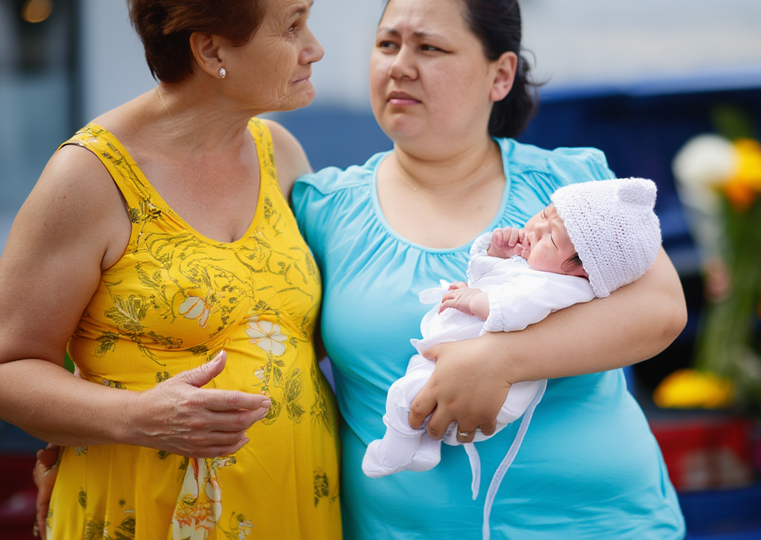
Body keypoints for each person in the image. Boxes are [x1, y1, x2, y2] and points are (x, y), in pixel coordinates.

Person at [291, 0, 688, 537]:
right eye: (387, 44)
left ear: (500, 75)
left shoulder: (571, 186)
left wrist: (498, 360)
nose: (399, 65)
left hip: (602, 523)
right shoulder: (321, 208)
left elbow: (662, 308)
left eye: (429, 47)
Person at [1, 0, 342, 538]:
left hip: (292, 500)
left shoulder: (279, 150)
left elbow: (293, 334)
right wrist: (133, 417)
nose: (314, 49)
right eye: (293, 26)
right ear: (210, 50)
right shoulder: (90, 176)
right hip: (142, 506)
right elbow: (10, 366)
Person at [363, 179, 662, 522]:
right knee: (422, 390)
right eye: (544, 214)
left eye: (552, 237)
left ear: (585, 271)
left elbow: (512, 309)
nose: (536, 228)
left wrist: (473, 299)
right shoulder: (541, 271)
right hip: (459, 371)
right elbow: (491, 279)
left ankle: (394, 451)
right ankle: (426, 450)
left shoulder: (561, 287)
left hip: (491, 395)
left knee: (405, 395)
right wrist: (496, 254)